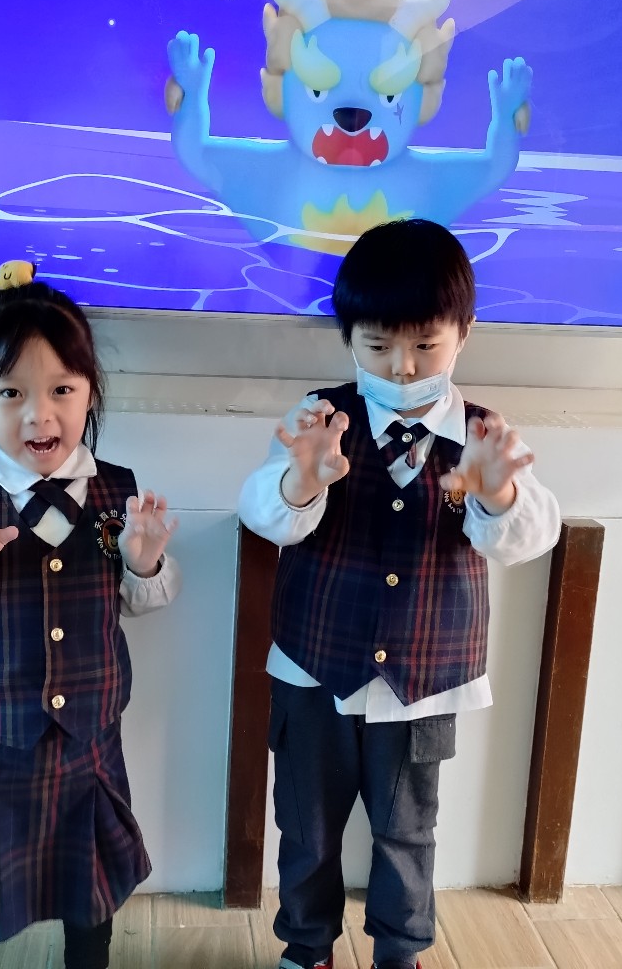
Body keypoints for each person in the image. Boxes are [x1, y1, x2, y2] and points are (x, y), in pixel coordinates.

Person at [238, 219, 561, 969]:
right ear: (348, 336)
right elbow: (266, 515)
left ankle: (400, 953)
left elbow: (528, 537)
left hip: (425, 680)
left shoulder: (484, 436)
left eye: (425, 345)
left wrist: (499, 494)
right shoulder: (318, 419)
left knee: (408, 833)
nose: (403, 367)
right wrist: (301, 481)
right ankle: (306, 949)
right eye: (378, 346)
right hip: (313, 672)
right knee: (306, 827)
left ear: (464, 333)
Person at [0, 261, 180, 969]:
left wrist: (143, 565)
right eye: (11, 391)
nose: (39, 416)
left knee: (90, 894)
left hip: (85, 749)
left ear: (89, 390)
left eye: (61, 390)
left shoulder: (117, 495)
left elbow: (141, 601)